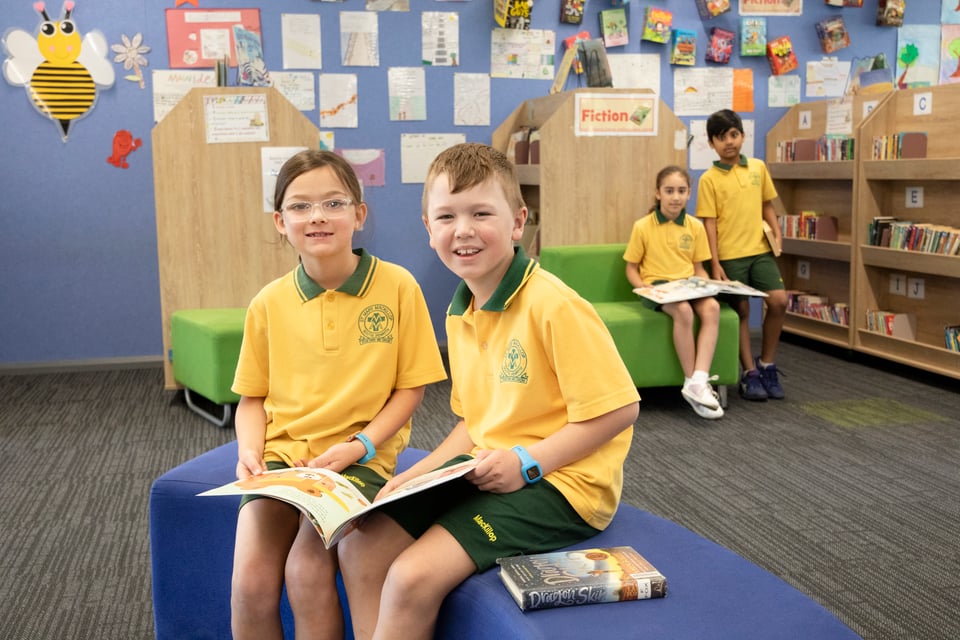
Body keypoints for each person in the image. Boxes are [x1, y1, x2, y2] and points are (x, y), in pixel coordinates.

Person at [338, 143, 641, 640]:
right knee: (361, 545)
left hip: (564, 486)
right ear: (428, 229)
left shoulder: (554, 306)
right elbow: (474, 425)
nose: (464, 230)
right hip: (488, 466)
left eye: (482, 213)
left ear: (518, 222)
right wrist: (410, 478)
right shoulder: (460, 311)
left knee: (412, 577)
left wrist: (528, 462)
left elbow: (620, 409)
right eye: (447, 216)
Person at [229, 149, 447, 640]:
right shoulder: (267, 302)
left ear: (359, 214)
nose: (318, 217)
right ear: (280, 221)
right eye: (301, 207)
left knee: (305, 572)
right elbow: (251, 400)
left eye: (333, 202)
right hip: (282, 461)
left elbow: (411, 388)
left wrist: (361, 445)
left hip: (357, 460)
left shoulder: (397, 286)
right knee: (249, 585)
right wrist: (249, 450)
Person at [696, 108, 788, 401]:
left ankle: (767, 363)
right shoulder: (709, 179)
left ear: (743, 135)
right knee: (742, 312)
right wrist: (715, 263)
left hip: (760, 251)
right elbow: (708, 224)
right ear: (712, 143)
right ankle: (749, 373)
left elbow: (767, 205)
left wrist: (777, 232)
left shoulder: (758, 168)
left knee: (779, 301)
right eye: (721, 138)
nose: (729, 142)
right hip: (729, 257)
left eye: (733, 135)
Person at [624, 165, 723, 420]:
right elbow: (631, 268)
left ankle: (699, 380)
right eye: (669, 191)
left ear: (689, 194)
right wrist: (641, 287)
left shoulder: (695, 226)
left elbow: (699, 268)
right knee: (683, 311)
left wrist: (704, 284)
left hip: (687, 285)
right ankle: (691, 380)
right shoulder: (643, 226)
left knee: (712, 307)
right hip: (657, 288)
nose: (675, 197)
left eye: (681, 191)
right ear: (658, 193)